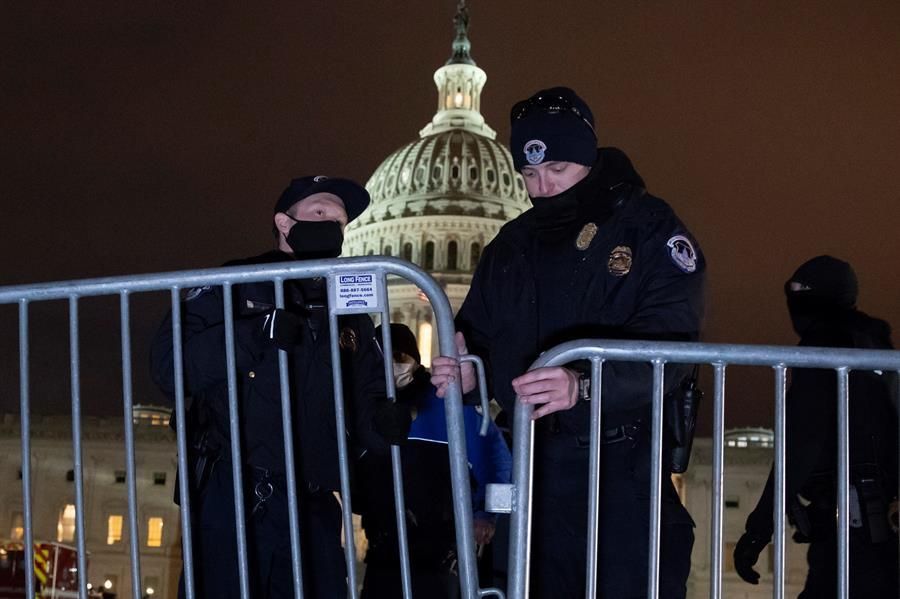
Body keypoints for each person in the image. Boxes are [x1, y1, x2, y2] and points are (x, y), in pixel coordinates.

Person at [431, 87, 706, 598]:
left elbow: (675, 349)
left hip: (621, 470)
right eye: (529, 174)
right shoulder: (510, 245)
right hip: (529, 469)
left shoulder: (649, 229)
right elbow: (479, 338)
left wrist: (582, 386)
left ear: (586, 156)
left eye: (555, 168)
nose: (543, 186)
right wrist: (469, 373)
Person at [150, 176, 401, 598]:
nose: (332, 226)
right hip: (234, 496)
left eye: (339, 221)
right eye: (320, 213)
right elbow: (170, 368)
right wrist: (252, 334)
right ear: (284, 223)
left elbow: (365, 395)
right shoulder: (231, 282)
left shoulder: (348, 304)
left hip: (314, 501)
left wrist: (386, 422)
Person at [733, 255, 898, 598]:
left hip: (852, 524)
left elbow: (804, 441)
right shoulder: (876, 346)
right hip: (875, 523)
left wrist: (760, 526)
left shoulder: (826, 347)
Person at [357, 323, 512, 598]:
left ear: (415, 359)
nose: (393, 365)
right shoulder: (366, 412)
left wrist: (485, 516)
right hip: (384, 548)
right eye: (384, 359)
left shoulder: (448, 403)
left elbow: (496, 459)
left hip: (442, 553)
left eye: (400, 357)